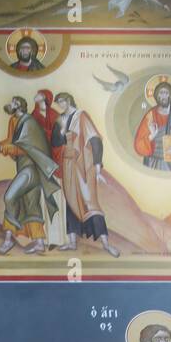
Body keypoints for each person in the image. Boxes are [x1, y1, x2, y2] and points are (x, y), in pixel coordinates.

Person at [0, 96, 60, 255]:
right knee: (31, 204)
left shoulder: (29, 123)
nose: (10, 104)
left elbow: (22, 148)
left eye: (13, 102)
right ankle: (39, 243)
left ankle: (8, 240)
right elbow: (11, 141)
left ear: (19, 106)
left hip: (32, 169)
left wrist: (0, 150)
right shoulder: (14, 120)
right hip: (23, 168)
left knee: (10, 197)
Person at [53, 92, 120, 257]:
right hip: (68, 165)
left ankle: (105, 244)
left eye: (61, 102)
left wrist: (97, 165)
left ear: (68, 100)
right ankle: (72, 242)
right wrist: (61, 132)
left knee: (90, 202)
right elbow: (55, 142)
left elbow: (95, 140)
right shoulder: (60, 119)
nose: (60, 106)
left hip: (84, 165)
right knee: (70, 201)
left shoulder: (81, 116)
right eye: (58, 103)